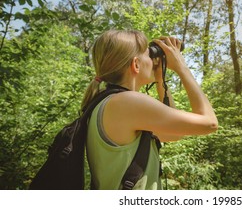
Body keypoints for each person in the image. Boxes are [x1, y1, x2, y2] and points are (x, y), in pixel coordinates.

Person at [82, 30, 218, 190]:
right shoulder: (127, 102)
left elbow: (173, 134)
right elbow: (210, 124)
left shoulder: (108, 102)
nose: (154, 61)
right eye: (149, 55)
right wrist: (182, 68)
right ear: (136, 64)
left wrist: (160, 79)